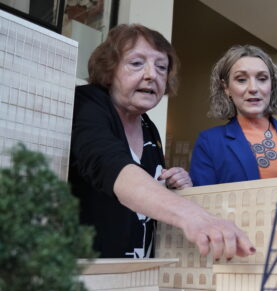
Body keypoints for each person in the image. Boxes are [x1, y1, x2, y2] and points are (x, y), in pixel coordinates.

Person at [70, 24, 255, 260]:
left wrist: (173, 185)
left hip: (136, 273)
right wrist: (192, 215)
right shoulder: (86, 103)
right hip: (83, 272)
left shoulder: (148, 127)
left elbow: (144, 194)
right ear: (109, 69)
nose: (152, 75)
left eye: (161, 67)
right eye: (137, 63)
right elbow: (108, 163)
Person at [190, 45, 277, 185]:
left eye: (262, 79)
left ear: (272, 86)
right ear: (226, 88)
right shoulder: (209, 142)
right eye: (241, 79)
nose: (253, 88)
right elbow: (201, 197)